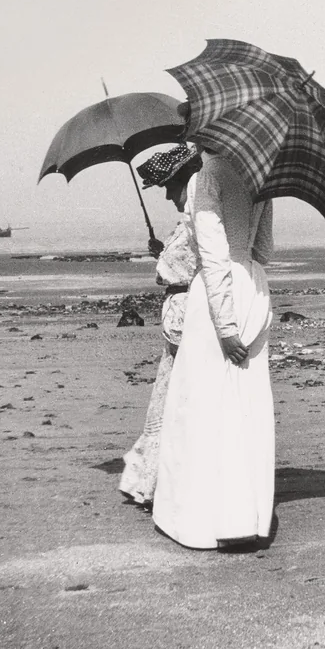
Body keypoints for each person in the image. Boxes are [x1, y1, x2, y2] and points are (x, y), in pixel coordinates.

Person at [152, 148, 276, 548]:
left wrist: (224, 324)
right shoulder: (261, 170)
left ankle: (205, 521)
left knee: (203, 404)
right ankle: (248, 517)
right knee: (246, 406)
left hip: (216, 295)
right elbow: (264, 250)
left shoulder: (205, 175)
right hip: (252, 286)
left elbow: (212, 254)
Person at [117, 144, 202, 507]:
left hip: (188, 315)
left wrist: (166, 259)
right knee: (169, 398)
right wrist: (162, 253)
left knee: (178, 398)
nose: (167, 195)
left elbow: (194, 264)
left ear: (183, 180)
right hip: (181, 314)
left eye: (169, 186)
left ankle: (167, 482)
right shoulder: (187, 221)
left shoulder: (197, 217)